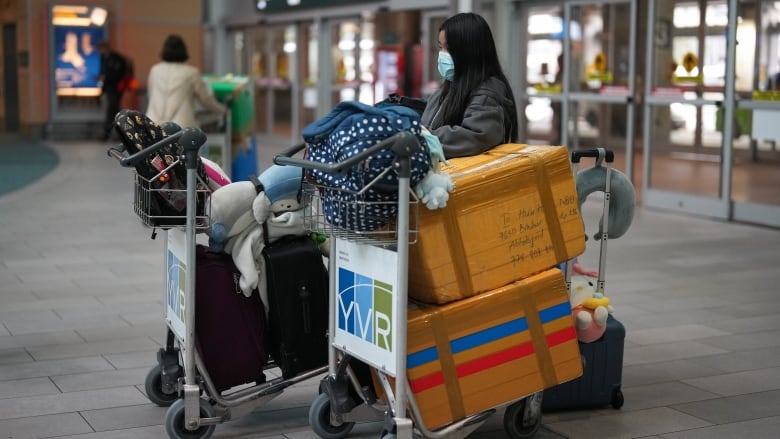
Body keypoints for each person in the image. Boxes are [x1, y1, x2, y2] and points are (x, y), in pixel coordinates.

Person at [420, 12, 518, 159]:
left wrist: (421, 137)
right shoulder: (447, 88)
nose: (442, 55)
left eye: (450, 49)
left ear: (469, 51)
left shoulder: (487, 93)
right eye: (441, 48)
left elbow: (476, 136)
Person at [145, 34, 226, 130]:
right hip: (181, 128)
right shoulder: (191, 72)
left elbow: (150, 95)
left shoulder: (155, 70)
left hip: (154, 126)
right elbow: (206, 99)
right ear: (184, 51)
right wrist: (222, 109)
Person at [96, 40, 130, 141]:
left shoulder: (116, 59)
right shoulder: (104, 58)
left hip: (115, 88)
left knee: (112, 112)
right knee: (113, 112)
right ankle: (117, 134)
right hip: (109, 88)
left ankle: (109, 134)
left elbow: (117, 74)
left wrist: (105, 78)